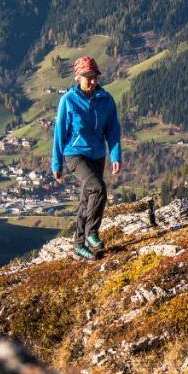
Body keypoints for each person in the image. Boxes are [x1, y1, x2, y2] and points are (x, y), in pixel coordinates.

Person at [52, 56, 122, 260]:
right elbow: (59, 133)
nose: (92, 81)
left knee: (87, 199)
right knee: (98, 189)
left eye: (95, 77)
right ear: (78, 77)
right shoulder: (68, 100)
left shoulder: (106, 100)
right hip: (75, 154)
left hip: (98, 155)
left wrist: (115, 155)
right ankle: (92, 232)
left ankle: (79, 244)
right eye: (87, 77)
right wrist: (56, 164)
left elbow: (113, 130)